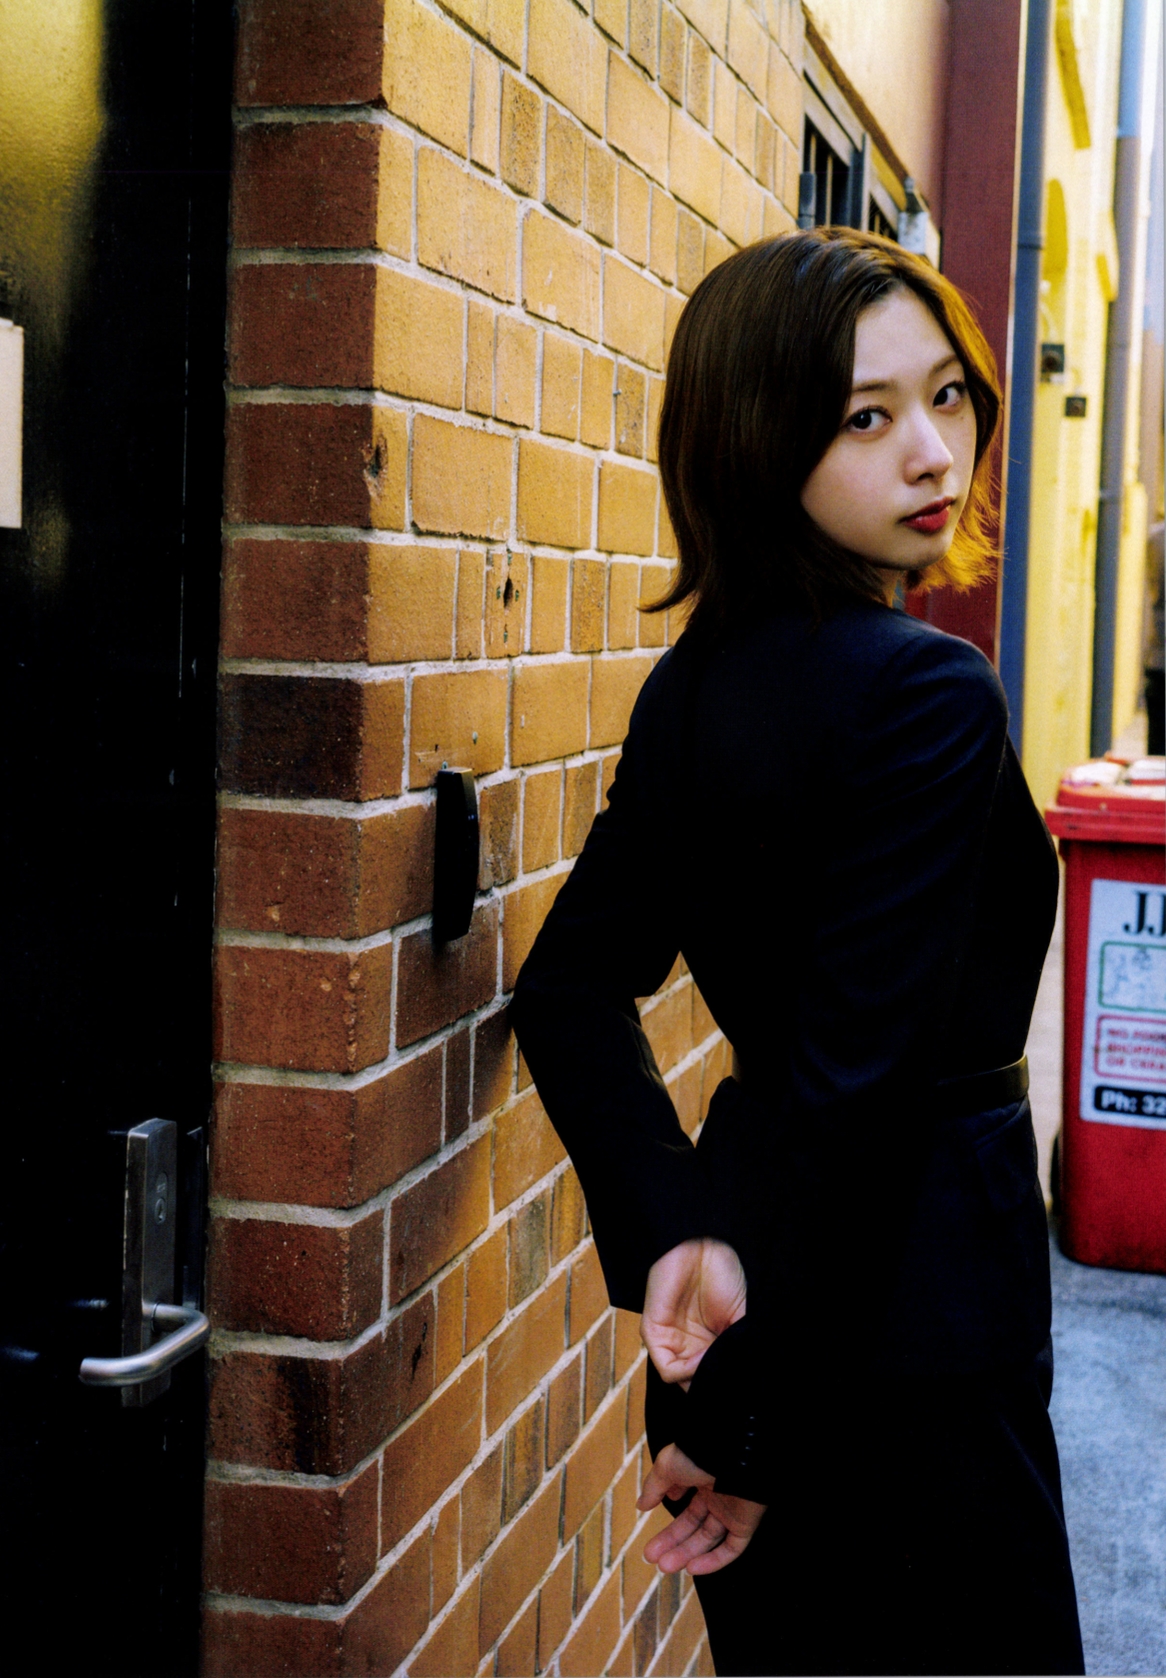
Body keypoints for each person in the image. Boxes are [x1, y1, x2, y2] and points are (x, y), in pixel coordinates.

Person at [509, 229, 1084, 1677]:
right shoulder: (930, 689)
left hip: (749, 1320)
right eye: (864, 417)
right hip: (899, 1349)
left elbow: (569, 993)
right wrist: (755, 1428)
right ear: (764, 446)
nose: (932, 452)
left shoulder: (690, 686)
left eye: (944, 397)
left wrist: (676, 1235)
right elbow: (857, 1095)